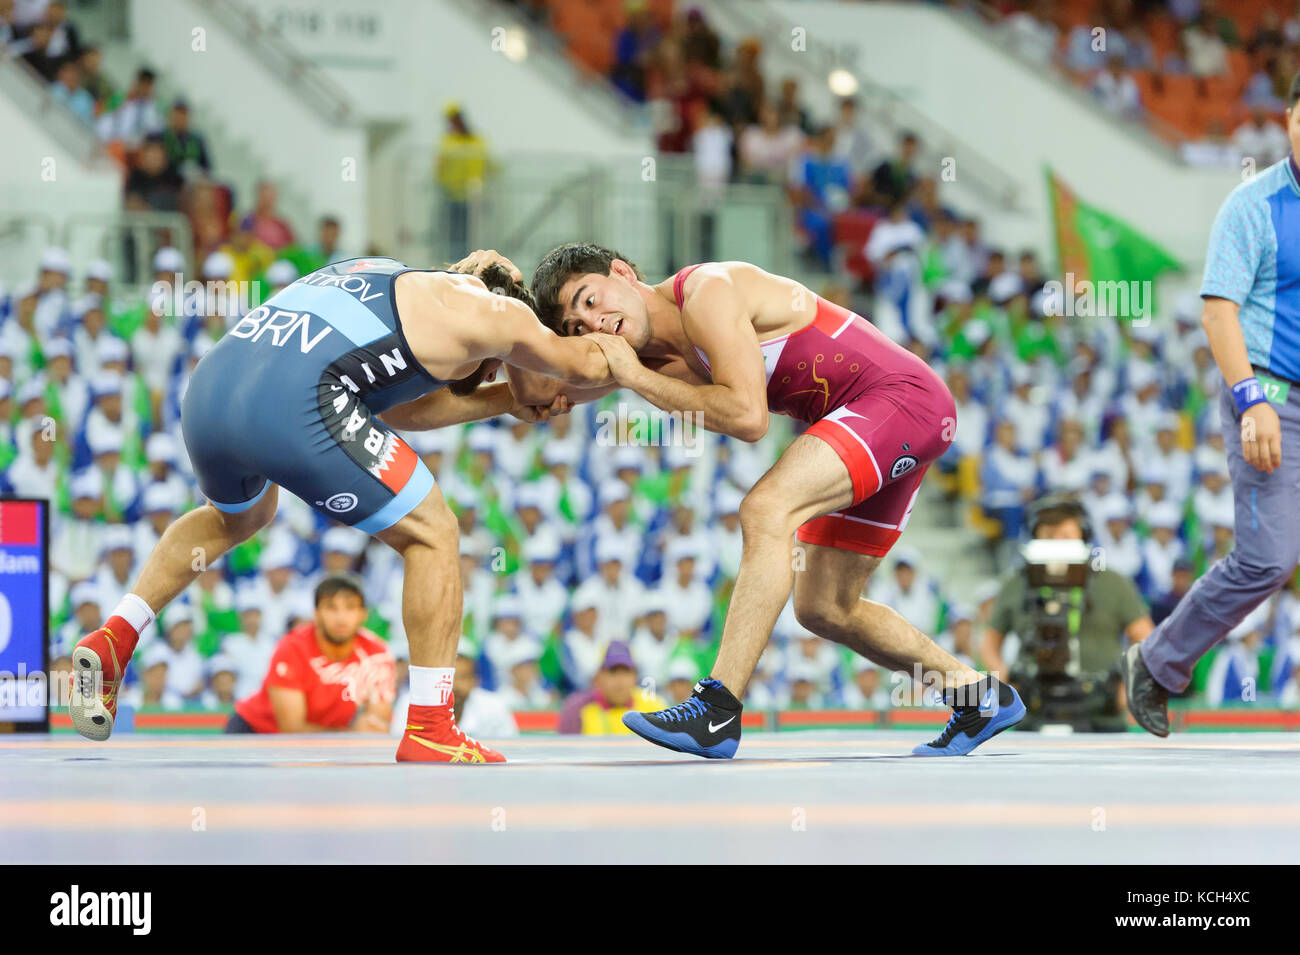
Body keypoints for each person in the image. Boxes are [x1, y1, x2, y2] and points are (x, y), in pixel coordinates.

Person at [68, 252, 613, 763]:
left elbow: (403, 410)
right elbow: (573, 371)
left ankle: (118, 633)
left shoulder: (384, 274)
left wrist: (508, 401)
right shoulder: (498, 312)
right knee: (433, 533)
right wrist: (659, 361)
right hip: (296, 401)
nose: (490, 376)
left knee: (240, 516)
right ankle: (430, 726)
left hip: (209, 391)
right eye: (493, 368)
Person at [503, 242, 1024, 759]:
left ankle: (718, 708)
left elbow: (749, 419)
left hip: (900, 400)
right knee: (824, 608)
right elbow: (539, 391)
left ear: (622, 272)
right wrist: (503, 306)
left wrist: (635, 378)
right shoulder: (641, 353)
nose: (592, 326)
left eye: (590, 301)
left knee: (765, 508)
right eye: (576, 326)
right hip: (872, 420)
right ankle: (976, 696)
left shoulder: (707, 292)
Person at [1123, 72, 1300, 738]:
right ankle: (1156, 661)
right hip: (1270, 396)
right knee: (1268, 559)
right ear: (1287, 120)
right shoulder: (1253, 205)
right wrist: (1251, 399)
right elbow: (1218, 310)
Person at [226, 573, 394, 733]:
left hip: (325, 743)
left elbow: (379, 722)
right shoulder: (293, 648)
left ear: (363, 614)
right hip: (255, 731)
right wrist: (351, 734)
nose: (341, 617)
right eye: (331, 607)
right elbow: (292, 730)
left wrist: (368, 727)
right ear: (316, 613)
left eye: (350, 607)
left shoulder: (377, 654)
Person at [557, 641, 665, 735]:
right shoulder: (577, 709)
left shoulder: (653, 706)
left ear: (635, 676)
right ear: (599, 676)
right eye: (613, 672)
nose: (620, 680)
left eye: (626, 672)